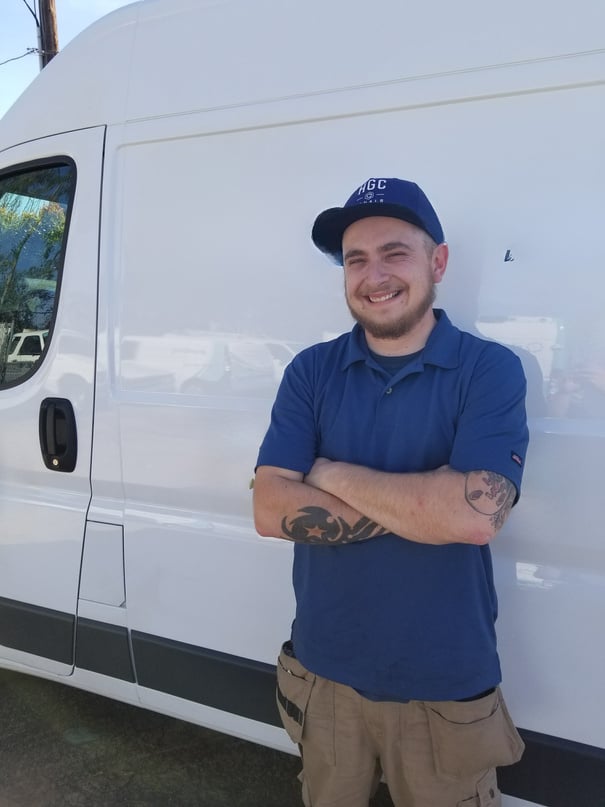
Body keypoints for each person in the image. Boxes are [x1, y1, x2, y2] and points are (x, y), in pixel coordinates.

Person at [253, 177, 528, 807]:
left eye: (394, 252)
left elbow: (475, 515)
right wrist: (423, 502)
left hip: (443, 688)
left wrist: (327, 473)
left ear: (438, 261)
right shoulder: (311, 371)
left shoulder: (489, 369)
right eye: (356, 259)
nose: (373, 274)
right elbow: (269, 509)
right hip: (325, 679)